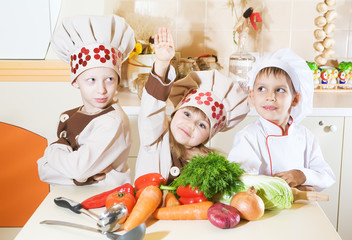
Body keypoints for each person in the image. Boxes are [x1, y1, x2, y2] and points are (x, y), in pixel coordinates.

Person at [134, 28, 249, 184]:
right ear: (174, 113)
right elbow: (151, 109)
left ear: (209, 136)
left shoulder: (210, 163)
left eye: (202, 125)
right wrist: (162, 63)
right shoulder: (155, 138)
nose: (190, 125)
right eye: (187, 114)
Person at [37, 15, 135, 186]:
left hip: (107, 200)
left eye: (110, 79)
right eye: (92, 80)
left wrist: (53, 150)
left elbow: (78, 168)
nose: (102, 89)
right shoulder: (70, 115)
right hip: (77, 196)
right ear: (75, 82)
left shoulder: (113, 122)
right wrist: (83, 176)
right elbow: (43, 171)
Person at [227, 48, 335, 192]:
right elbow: (240, 179)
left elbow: (326, 176)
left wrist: (302, 175)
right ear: (252, 96)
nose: (270, 97)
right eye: (261, 89)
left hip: (299, 206)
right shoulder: (248, 137)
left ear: (295, 99)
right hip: (263, 209)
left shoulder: (306, 137)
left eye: (280, 90)